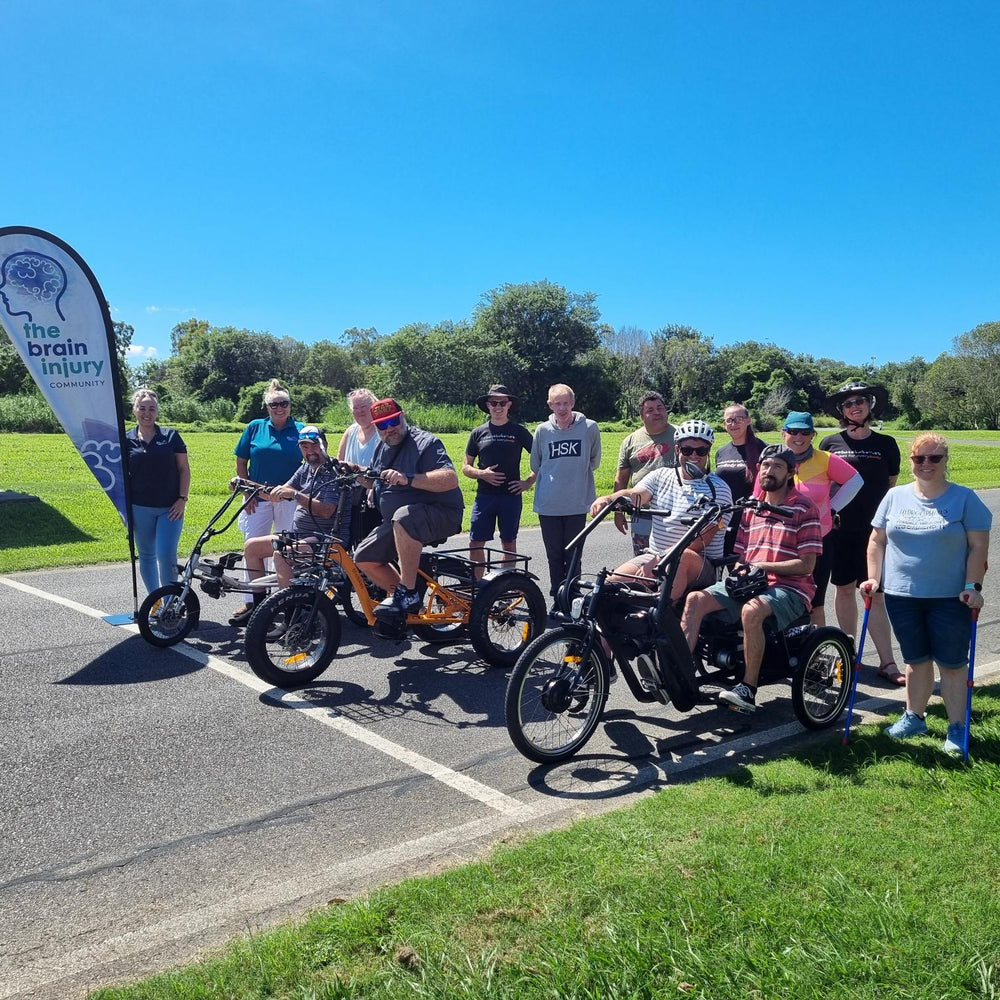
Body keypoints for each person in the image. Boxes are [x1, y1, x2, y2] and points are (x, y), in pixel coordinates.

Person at [862, 433, 991, 754]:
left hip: (951, 597)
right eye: (920, 458)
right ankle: (914, 716)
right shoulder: (895, 497)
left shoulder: (965, 498)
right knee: (916, 660)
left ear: (946, 461)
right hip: (902, 596)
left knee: (951, 664)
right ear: (911, 461)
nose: (926, 464)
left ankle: (957, 728)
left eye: (934, 458)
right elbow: (877, 541)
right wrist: (873, 579)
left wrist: (972, 587)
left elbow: (978, 548)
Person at [682, 444, 823, 712]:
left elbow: (807, 564)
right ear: (758, 469)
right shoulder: (751, 508)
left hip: (791, 588)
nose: (770, 471)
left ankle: (747, 689)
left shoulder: (804, 508)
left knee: (751, 611)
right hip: (752, 581)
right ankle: (680, 673)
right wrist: (740, 571)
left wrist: (762, 566)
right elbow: (741, 555)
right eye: (766, 465)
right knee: (694, 600)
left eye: (778, 466)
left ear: (792, 471)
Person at [591, 420, 732, 601]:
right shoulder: (661, 476)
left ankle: (661, 618)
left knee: (680, 559)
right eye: (687, 450)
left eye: (701, 450)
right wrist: (608, 499)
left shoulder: (718, 489)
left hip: (701, 563)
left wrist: (659, 560)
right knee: (609, 586)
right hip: (655, 556)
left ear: (708, 452)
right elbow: (636, 495)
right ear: (677, 450)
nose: (694, 455)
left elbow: (699, 542)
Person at [820, 382, 903, 684]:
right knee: (843, 590)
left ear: (869, 405)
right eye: (847, 404)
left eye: (859, 401)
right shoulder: (830, 443)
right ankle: (847, 656)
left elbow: (890, 483)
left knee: (875, 595)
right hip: (840, 530)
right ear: (841, 411)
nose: (854, 407)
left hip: (875, 532)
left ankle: (888, 662)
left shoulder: (886, 443)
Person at [354, 398, 464, 617]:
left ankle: (408, 591)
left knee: (403, 516)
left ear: (402, 417)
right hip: (399, 522)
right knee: (364, 557)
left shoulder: (425, 443)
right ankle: (412, 607)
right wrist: (354, 471)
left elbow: (450, 479)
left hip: (440, 513)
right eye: (382, 425)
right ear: (376, 427)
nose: (389, 429)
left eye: (393, 421)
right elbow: (375, 480)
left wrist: (408, 478)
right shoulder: (381, 447)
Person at [233, 427, 349, 623]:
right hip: (300, 535)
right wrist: (245, 484)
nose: (310, 450)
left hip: (326, 538)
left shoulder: (334, 473)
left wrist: (296, 496)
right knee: (251, 547)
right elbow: (276, 494)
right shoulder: (305, 469)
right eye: (304, 446)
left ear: (324, 445)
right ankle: (260, 612)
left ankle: (291, 617)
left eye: (314, 445)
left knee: (282, 555)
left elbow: (327, 510)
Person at [230, 379, 304, 623]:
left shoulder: (301, 429)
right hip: (257, 498)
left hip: (288, 500)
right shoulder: (255, 427)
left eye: (284, 403)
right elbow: (241, 462)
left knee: (285, 550)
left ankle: (284, 601)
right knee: (252, 546)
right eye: (274, 404)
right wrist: (247, 491)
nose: (279, 408)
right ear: (267, 406)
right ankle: (253, 603)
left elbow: (313, 463)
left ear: (290, 405)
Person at [779, 410, 863, 626]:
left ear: (813, 435)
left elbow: (855, 481)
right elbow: (758, 496)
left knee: (815, 604)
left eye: (805, 432)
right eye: (793, 431)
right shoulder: (774, 460)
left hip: (817, 541)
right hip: (782, 541)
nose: (799, 437)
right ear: (783, 433)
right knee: (781, 600)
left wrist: (833, 508)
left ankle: (816, 652)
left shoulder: (824, 460)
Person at [530, 383, 602, 613]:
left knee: (573, 555)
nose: (561, 408)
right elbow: (536, 463)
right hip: (548, 504)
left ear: (573, 403)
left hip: (577, 502)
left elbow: (594, 461)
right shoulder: (542, 430)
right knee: (554, 555)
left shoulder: (589, 428)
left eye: (565, 403)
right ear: (550, 405)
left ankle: (572, 597)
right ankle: (557, 597)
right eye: (557, 403)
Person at [462, 384, 535, 576]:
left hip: (510, 496)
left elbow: (541, 459)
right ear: (488, 405)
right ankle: (478, 587)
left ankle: (506, 588)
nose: (498, 406)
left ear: (509, 405)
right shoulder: (478, 433)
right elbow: (465, 467)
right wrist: (482, 474)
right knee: (475, 542)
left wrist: (527, 482)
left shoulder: (519, 431)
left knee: (508, 542)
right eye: (494, 402)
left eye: (502, 402)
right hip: (484, 497)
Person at [125, 389, 191, 593]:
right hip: (139, 507)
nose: (147, 413)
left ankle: (170, 604)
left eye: (151, 409)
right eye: (142, 408)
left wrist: (182, 498)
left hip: (170, 507)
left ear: (157, 411)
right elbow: (120, 477)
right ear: (134, 410)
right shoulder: (125, 439)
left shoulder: (171, 436)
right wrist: (123, 509)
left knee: (166, 554)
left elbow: (184, 469)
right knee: (146, 555)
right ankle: (154, 603)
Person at [613, 391, 677, 555]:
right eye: (650, 410)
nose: (656, 412)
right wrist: (618, 512)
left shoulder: (681, 435)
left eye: (660, 408)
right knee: (642, 560)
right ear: (641, 416)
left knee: (674, 560)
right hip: (642, 512)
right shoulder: (630, 441)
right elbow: (621, 479)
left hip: (675, 513)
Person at [337, 388, 380, 466]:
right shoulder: (350, 431)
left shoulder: (383, 432)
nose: (360, 411)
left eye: (363, 407)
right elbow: (339, 461)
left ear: (373, 407)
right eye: (355, 408)